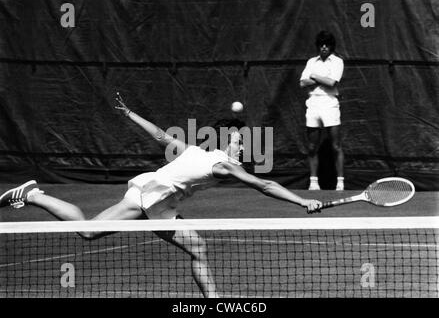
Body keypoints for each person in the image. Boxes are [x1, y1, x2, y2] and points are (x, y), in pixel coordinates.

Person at [0, 94, 322, 298]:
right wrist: (302, 201)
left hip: (163, 206)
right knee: (87, 230)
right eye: (238, 141)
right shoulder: (223, 166)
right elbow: (264, 186)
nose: (242, 146)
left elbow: (160, 136)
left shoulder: (195, 150)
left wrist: (130, 115)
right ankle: (34, 194)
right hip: (147, 198)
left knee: (197, 246)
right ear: (226, 143)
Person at [300, 30, 345, 191]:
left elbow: (332, 83)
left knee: (336, 146)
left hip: (330, 104)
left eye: (327, 45)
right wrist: (321, 78)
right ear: (318, 46)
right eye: (321, 45)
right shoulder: (311, 61)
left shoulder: (338, 62)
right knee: (312, 147)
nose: (324, 47)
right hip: (313, 104)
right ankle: (313, 182)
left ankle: (340, 183)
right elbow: (303, 83)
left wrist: (314, 76)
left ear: (331, 46)